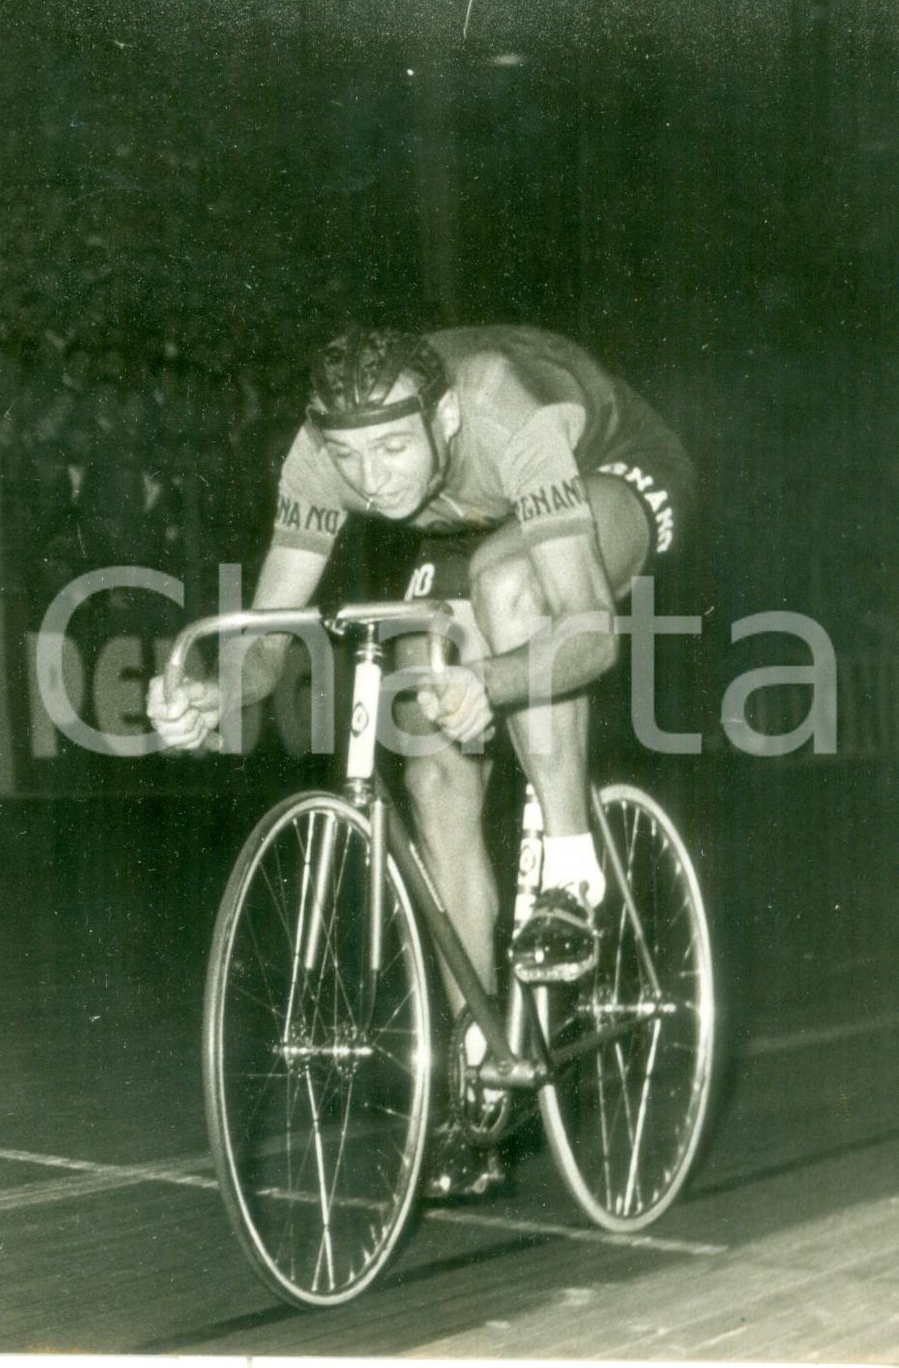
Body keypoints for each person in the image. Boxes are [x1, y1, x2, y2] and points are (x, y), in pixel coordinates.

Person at [147, 325, 694, 1195]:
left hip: (606, 469)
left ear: (443, 419)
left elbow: (589, 634)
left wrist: (495, 678)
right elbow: (267, 640)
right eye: (350, 458)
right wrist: (216, 694)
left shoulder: (499, 406)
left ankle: (570, 871)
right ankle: (483, 1068)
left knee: (510, 586)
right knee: (432, 763)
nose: (371, 481)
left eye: (393, 449)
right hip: (473, 520)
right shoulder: (321, 458)